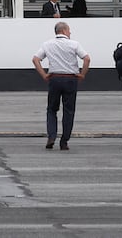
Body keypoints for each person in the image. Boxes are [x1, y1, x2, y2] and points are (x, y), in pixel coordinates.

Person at [31, 21, 90, 150]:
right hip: (70, 79)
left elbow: (35, 59)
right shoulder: (74, 44)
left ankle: (51, 136)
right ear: (64, 31)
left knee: (52, 109)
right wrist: (82, 74)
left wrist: (44, 75)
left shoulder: (47, 44)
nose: (70, 33)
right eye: (69, 30)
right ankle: (64, 141)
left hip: (55, 78)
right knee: (69, 111)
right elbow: (86, 58)